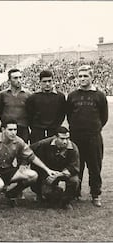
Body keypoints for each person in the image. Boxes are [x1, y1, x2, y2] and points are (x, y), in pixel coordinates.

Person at [0, 120, 60, 208]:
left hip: (8, 170)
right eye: (10, 130)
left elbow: (32, 157)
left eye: (15, 130)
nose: (13, 133)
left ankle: (12, 193)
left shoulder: (19, 141)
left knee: (33, 175)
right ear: (3, 129)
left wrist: (47, 170)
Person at [66, 65, 108, 207]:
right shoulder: (72, 95)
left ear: (92, 77)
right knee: (77, 166)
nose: (83, 79)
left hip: (93, 137)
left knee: (95, 167)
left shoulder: (100, 95)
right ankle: (75, 193)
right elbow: (69, 115)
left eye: (86, 76)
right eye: (80, 76)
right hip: (76, 137)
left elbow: (104, 117)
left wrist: (93, 128)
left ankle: (95, 194)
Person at [30, 126, 80, 209]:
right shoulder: (44, 143)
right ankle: (53, 194)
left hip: (64, 172)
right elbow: (28, 151)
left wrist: (58, 175)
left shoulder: (73, 148)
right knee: (46, 191)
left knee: (74, 180)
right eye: (62, 138)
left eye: (67, 138)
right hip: (48, 172)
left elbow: (74, 167)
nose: (65, 141)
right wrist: (24, 164)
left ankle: (66, 201)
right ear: (55, 137)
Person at [26, 70, 66, 144]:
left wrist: (56, 126)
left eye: (49, 81)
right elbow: (29, 115)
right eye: (44, 81)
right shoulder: (33, 97)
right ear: (40, 82)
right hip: (37, 132)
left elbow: (62, 114)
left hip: (54, 132)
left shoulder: (60, 97)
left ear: (53, 81)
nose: (47, 84)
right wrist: (36, 127)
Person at [0, 69, 31, 143]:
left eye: (20, 77)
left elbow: (31, 112)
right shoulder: (3, 94)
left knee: (22, 152)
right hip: (7, 128)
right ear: (9, 80)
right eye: (15, 78)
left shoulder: (28, 94)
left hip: (22, 128)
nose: (19, 80)